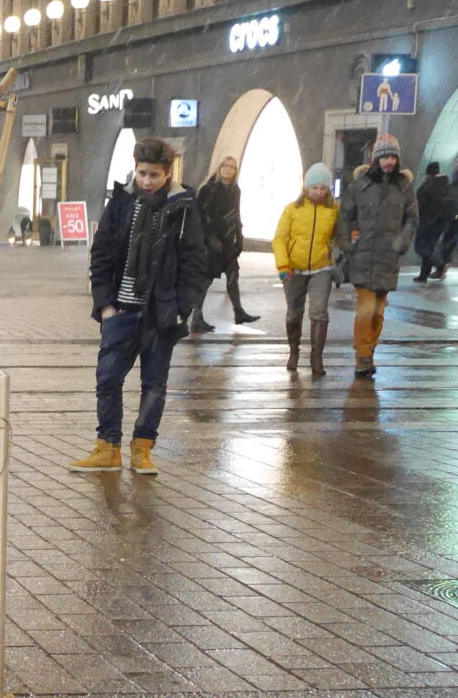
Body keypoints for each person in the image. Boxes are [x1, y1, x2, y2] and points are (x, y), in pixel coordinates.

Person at [71, 138, 206, 477]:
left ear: (168, 173)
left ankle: (142, 450)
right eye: (142, 173)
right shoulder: (121, 202)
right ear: (135, 168)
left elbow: (193, 261)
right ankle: (108, 448)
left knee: (155, 384)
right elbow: (100, 254)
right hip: (120, 310)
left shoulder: (183, 206)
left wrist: (181, 309)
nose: (147, 181)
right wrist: (105, 306)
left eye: (154, 175)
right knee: (107, 380)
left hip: (160, 313)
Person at [336, 131, 417, 378]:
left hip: (387, 259)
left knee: (378, 312)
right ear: (375, 159)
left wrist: (400, 244)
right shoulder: (359, 186)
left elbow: (412, 219)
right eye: (384, 157)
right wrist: (348, 245)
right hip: (362, 256)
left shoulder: (404, 187)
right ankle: (362, 355)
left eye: (393, 156)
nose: (389, 161)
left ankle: (369, 349)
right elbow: (344, 217)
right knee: (366, 307)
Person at [272, 165, 339, 379]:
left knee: (319, 312)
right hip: (293, 269)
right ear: (306, 188)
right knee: (294, 312)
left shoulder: (334, 209)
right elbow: (280, 238)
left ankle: (316, 357)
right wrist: (283, 265)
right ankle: (294, 352)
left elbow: (340, 236)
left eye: (323, 188)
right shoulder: (292, 209)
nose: (319, 192)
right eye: (314, 187)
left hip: (322, 267)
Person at [189, 156, 259, 330]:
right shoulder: (209, 189)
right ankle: (196, 318)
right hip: (211, 243)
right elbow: (201, 216)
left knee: (233, 276)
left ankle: (239, 311)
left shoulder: (235, 190)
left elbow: (236, 214)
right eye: (225, 166)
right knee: (206, 280)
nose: (228, 169)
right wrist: (210, 238)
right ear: (219, 168)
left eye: (232, 167)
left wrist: (239, 236)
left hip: (228, 242)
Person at [413, 160, 454, 283]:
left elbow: (418, 204)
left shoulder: (428, 184)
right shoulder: (446, 184)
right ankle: (425, 274)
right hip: (441, 222)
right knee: (430, 245)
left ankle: (439, 265)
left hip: (427, 221)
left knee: (421, 247)